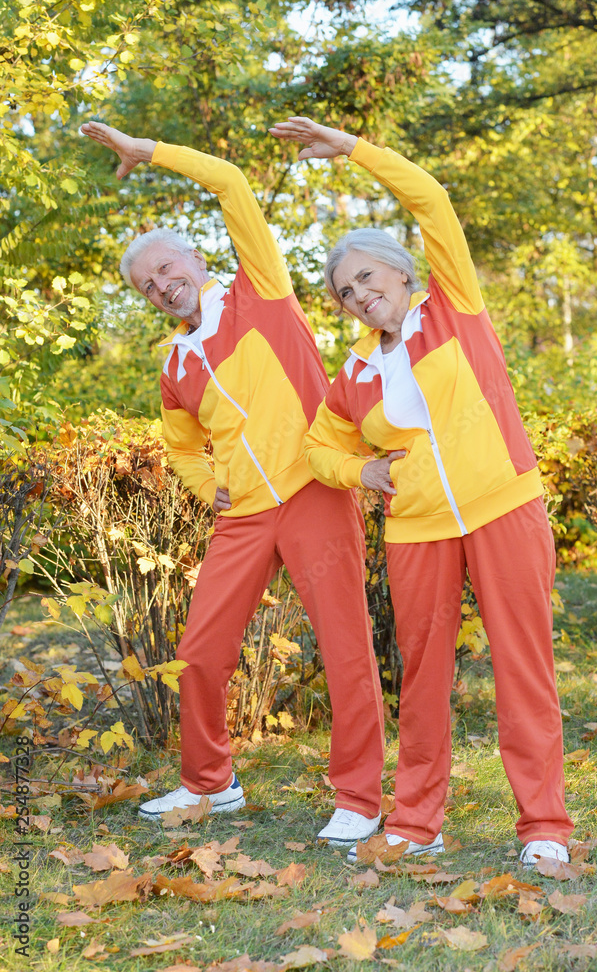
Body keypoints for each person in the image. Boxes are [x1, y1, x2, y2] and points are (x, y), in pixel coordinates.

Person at [270, 115, 574, 865]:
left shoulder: (455, 308)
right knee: (425, 679)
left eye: (368, 278)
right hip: (415, 530)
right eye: (345, 292)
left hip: (504, 507)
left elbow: (433, 199)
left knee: (522, 668)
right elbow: (319, 445)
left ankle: (543, 828)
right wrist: (359, 471)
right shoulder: (355, 372)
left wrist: (353, 151)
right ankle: (416, 822)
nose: (358, 295)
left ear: (402, 273)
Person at [80, 121, 385, 845]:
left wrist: (150, 151)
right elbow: (181, 443)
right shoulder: (174, 365)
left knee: (346, 650)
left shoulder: (261, 295)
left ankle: (361, 798)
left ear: (197, 257)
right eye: (147, 284)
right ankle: (209, 784)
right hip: (243, 516)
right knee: (201, 653)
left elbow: (231, 183)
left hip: (312, 491)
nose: (161, 285)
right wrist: (204, 483)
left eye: (166, 268)